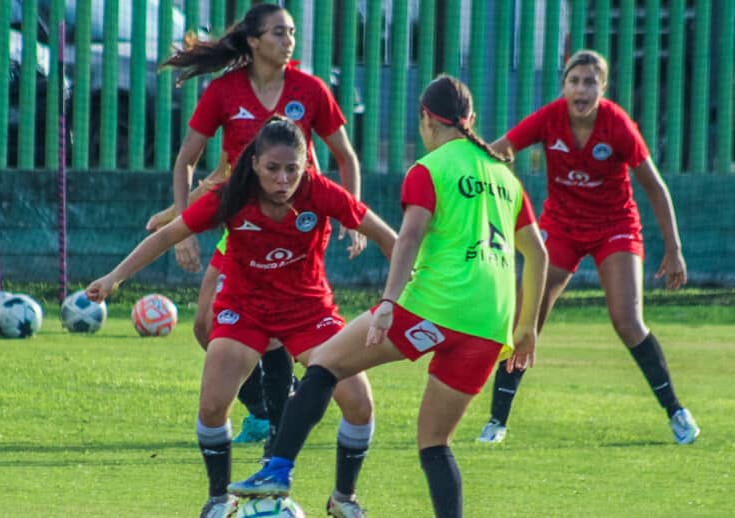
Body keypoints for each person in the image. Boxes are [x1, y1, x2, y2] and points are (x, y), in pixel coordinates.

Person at [228, 76, 548, 518]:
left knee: (325, 364)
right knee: (435, 444)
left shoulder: (429, 169)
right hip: (491, 324)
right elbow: (538, 254)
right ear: (470, 120)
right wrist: (527, 326)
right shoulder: (504, 176)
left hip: (435, 305)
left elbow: (410, 237)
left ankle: (277, 469)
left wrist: (387, 304)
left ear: (424, 119)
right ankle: (344, 498)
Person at [85, 118, 396, 518]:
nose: (283, 178)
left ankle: (343, 499)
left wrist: (397, 298)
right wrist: (114, 278)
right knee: (213, 405)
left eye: (292, 169)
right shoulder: (231, 196)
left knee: (359, 403)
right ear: (253, 164)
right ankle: (219, 499)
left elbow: (390, 238)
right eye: (273, 168)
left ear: (305, 167)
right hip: (244, 309)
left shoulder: (320, 192)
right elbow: (167, 235)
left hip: (309, 310)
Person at [147, 3, 365, 446]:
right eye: (279, 33)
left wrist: (353, 214)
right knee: (206, 328)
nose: (289, 41)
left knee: (276, 317)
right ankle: (272, 406)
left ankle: (275, 420)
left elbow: (345, 156)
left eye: (291, 33)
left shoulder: (310, 89)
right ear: (253, 41)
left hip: (298, 226)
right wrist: (181, 222)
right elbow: (186, 160)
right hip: (242, 222)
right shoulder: (225, 92)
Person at [477, 49, 700, 445]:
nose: (581, 89)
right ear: (563, 86)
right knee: (526, 315)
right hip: (561, 227)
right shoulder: (549, 118)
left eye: (590, 81)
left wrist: (674, 248)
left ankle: (677, 413)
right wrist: (471, 163)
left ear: (604, 87)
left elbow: (654, 187)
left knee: (627, 320)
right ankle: (496, 422)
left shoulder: (617, 125)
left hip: (615, 226)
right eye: (574, 81)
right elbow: (500, 151)